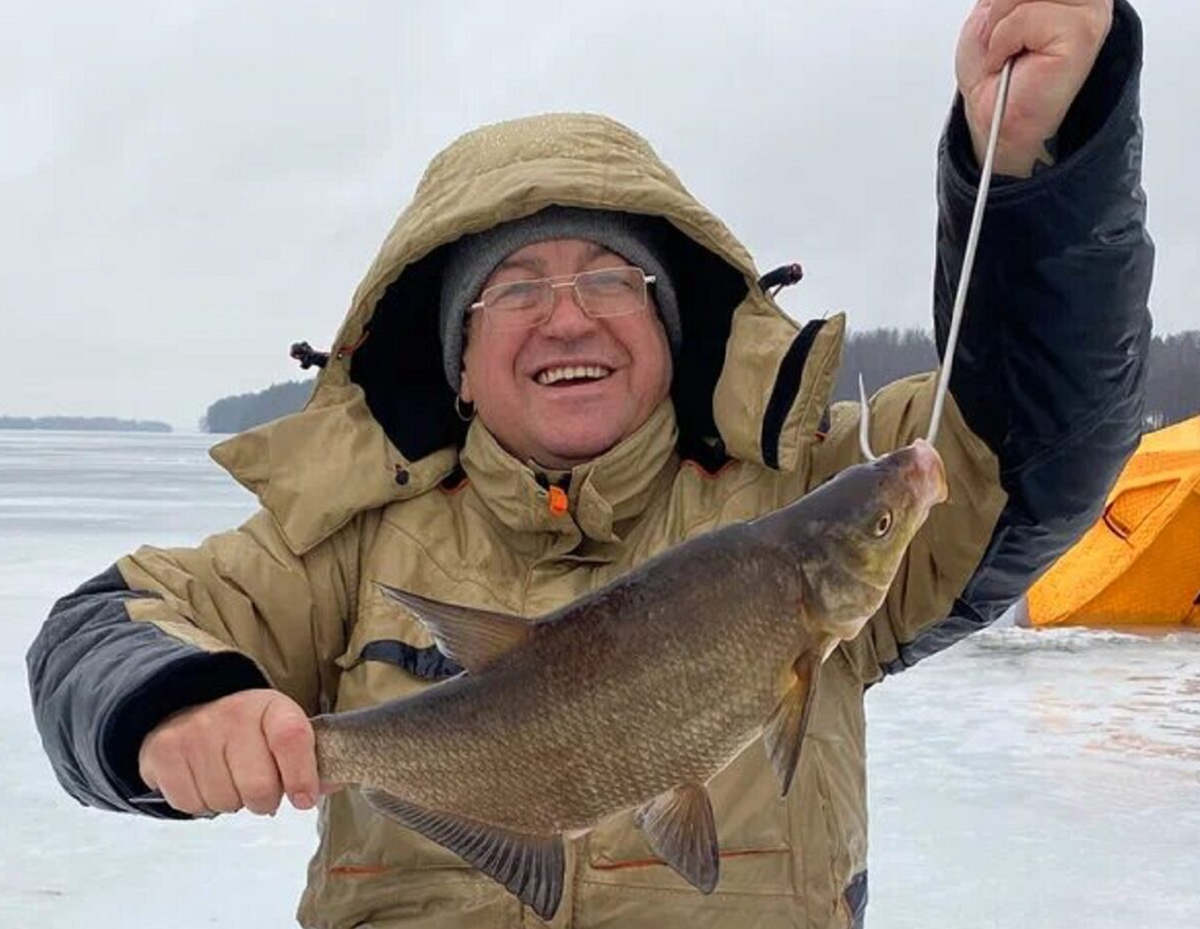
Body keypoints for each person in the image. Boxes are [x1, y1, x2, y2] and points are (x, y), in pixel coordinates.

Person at [28, 1, 1152, 926]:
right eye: (515, 288)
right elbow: (100, 628)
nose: (568, 316)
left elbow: (1037, 426)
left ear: (672, 328)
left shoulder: (808, 484)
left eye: (613, 278)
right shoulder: (348, 541)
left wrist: (1042, 162)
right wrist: (165, 705)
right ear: (458, 360)